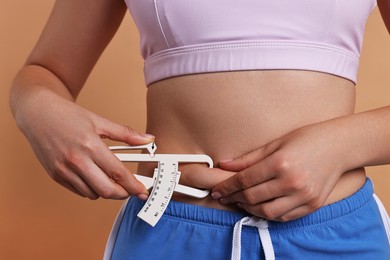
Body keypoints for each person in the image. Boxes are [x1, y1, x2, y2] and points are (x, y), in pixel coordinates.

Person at [9, 0, 390, 259]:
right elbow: (42, 75)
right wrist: (39, 111)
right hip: (168, 236)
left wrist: (338, 147)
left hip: (338, 239)